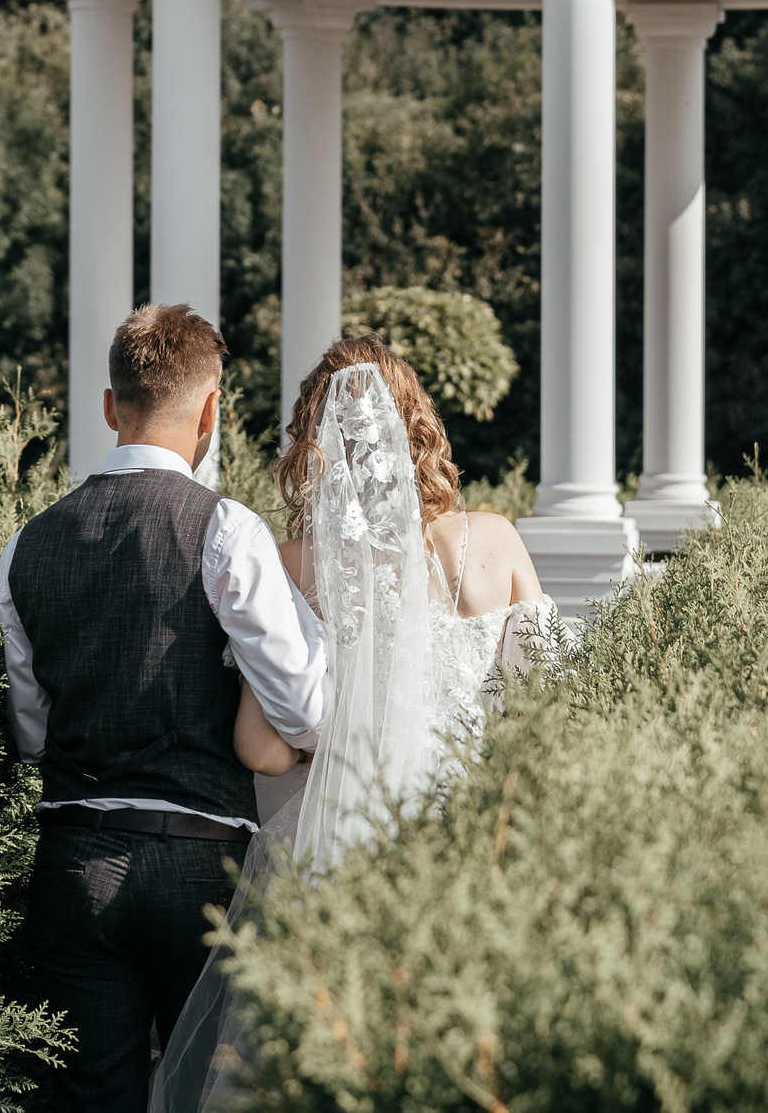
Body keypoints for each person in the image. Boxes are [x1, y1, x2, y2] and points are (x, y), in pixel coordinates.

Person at [150, 336, 566, 1112]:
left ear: (314, 446)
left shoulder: (296, 565)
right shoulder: (494, 541)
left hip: (335, 848)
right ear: (420, 429)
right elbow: (551, 711)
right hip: (473, 844)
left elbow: (263, 751)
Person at [0, 304, 326, 1113]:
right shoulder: (226, 530)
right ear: (212, 410)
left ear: (110, 406)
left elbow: (32, 729)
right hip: (197, 866)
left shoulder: (26, 542)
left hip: (72, 864)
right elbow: (307, 709)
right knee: (205, 1095)